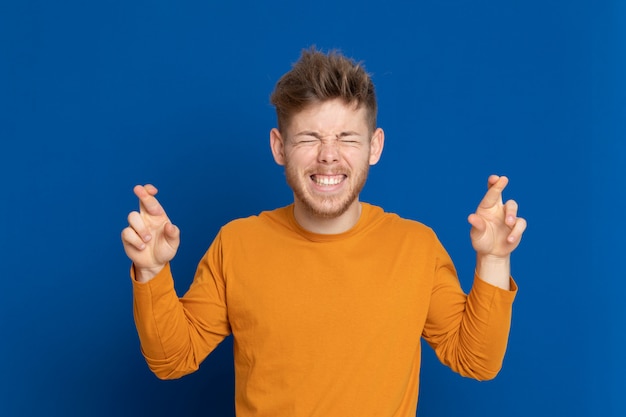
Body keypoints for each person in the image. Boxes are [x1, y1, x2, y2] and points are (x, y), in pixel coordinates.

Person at [121, 48, 527, 417]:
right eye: (309, 138)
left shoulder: (416, 247)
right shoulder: (237, 243)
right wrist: (152, 272)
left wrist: (493, 260)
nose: (328, 155)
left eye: (347, 138)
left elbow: (476, 360)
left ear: (375, 146)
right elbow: (172, 358)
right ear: (280, 147)